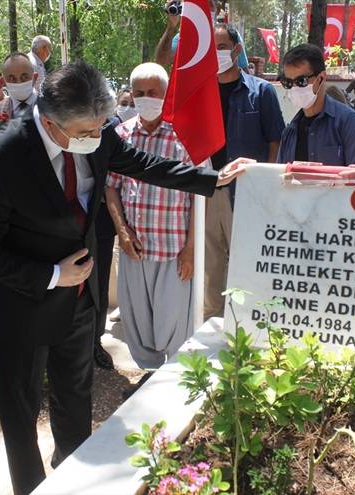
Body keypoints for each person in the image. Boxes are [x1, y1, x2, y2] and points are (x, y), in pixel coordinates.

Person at [0, 60, 248, 495]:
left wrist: (212, 178)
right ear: (52, 122)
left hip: (79, 300)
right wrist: (53, 274)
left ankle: (75, 479)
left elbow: (141, 163)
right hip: (21, 306)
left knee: (75, 399)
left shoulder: (94, 133)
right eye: (87, 131)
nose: (97, 138)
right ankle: (30, 487)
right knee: (21, 412)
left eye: (101, 127)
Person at [105, 62, 201, 377]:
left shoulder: (185, 135)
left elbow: (198, 198)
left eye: (153, 93)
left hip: (174, 250)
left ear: (166, 94)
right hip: (136, 248)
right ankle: (148, 379)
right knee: (138, 324)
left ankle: (174, 383)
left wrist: (191, 248)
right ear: (131, 95)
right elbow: (112, 188)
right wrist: (122, 231)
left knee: (173, 323)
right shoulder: (120, 135)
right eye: (140, 93)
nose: (146, 99)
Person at [204, 23, 285, 320]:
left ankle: (246, 325)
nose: (216, 54)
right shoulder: (202, 94)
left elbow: (275, 139)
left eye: (221, 47)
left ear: (237, 50)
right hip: (210, 189)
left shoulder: (261, 92)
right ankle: (212, 323)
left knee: (248, 263)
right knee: (211, 266)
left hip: (247, 194)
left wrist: (266, 187)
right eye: (210, 48)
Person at [277, 44, 355, 167]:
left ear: (321, 78)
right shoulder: (289, 133)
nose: (294, 88)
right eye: (288, 82)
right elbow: (281, 181)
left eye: (301, 81)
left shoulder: (349, 123)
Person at [155, 1, 250, 71]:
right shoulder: (184, 37)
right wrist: (171, 27)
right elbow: (161, 60)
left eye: (209, 4)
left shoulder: (231, 35)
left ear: (217, 9)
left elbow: (245, 72)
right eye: (200, 4)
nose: (205, 9)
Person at [1, 52, 39, 118]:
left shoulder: (50, 106)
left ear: (35, 78)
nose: (19, 83)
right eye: (12, 78)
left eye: (24, 77)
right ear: (3, 81)